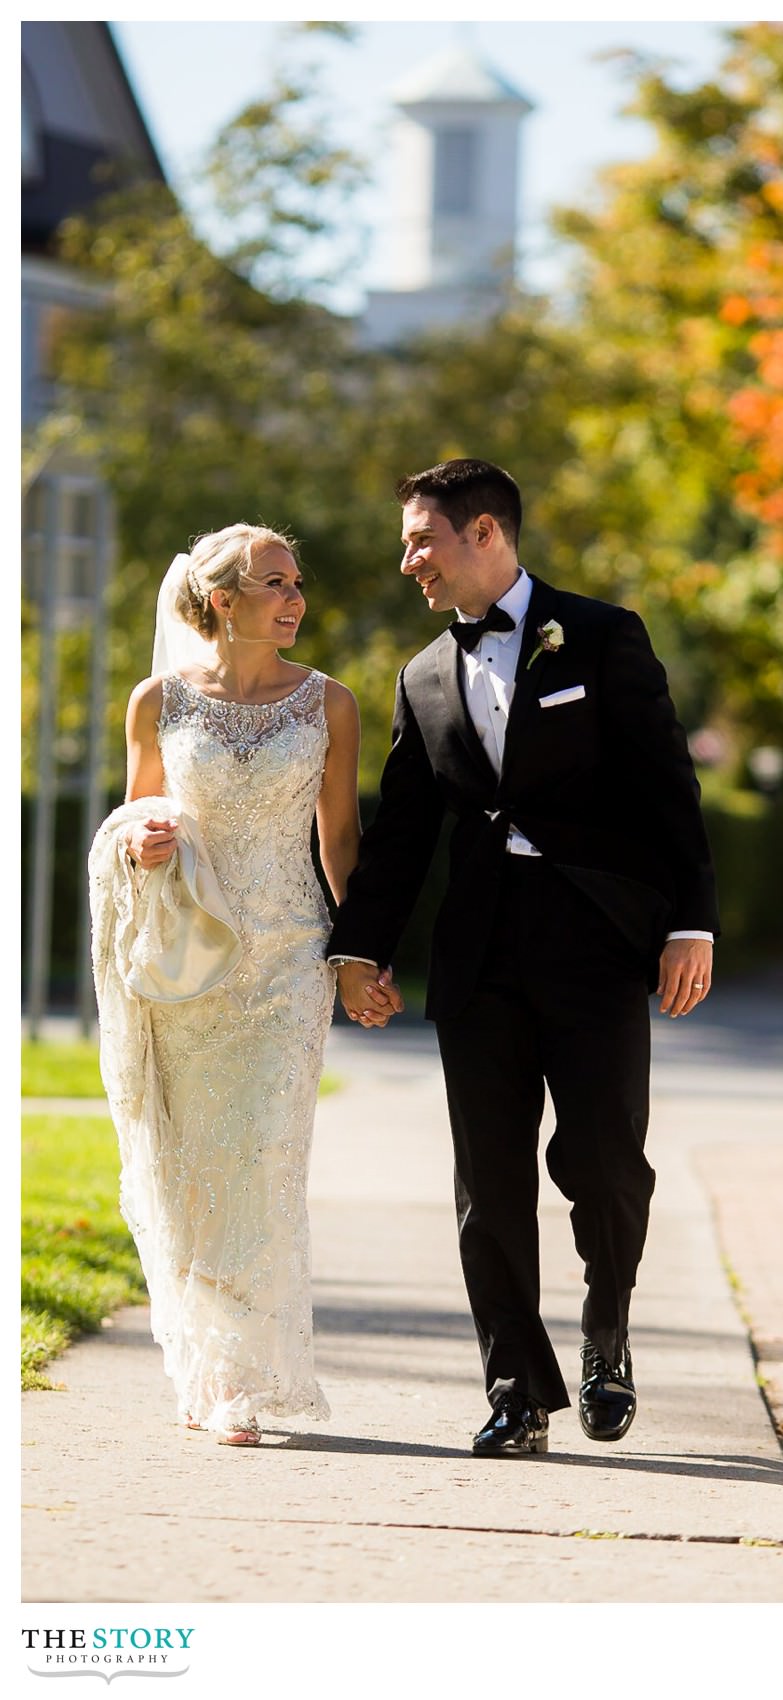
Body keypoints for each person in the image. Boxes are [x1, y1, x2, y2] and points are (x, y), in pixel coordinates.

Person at [329, 460, 718, 1457]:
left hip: (596, 942)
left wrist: (692, 924)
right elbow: (404, 830)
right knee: (487, 1184)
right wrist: (360, 946)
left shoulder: (602, 635)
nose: (408, 558)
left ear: (485, 531)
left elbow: (669, 790)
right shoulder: (423, 675)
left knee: (604, 1162)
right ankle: (516, 1390)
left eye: (423, 539)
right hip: (480, 956)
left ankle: (607, 1337)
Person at [89, 523, 398, 1446]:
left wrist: (361, 954)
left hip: (287, 962)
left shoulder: (329, 705)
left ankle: (249, 1380)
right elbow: (140, 817)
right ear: (221, 601)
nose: (295, 598)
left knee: (265, 1160)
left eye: (297, 582)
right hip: (191, 967)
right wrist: (140, 843)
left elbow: (339, 841)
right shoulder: (158, 702)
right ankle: (208, 1365)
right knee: (194, 1175)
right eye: (275, 584)